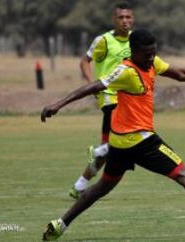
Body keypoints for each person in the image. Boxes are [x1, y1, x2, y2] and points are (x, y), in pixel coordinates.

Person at [41, 29, 185, 241]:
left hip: (119, 143)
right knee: (183, 174)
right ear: (133, 51)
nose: (151, 57)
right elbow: (94, 86)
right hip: (142, 140)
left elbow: (181, 75)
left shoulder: (151, 63)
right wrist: (58, 104)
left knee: (102, 187)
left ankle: (61, 224)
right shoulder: (126, 71)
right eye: (147, 53)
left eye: (153, 52)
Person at [69, 1, 135, 199]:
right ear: (114, 20)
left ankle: (79, 185)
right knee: (124, 140)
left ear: (133, 19)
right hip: (109, 96)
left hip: (130, 99)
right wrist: (92, 84)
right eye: (120, 17)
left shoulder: (137, 40)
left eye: (128, 17)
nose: (125, 21)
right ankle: (100, 150)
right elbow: (84, 61)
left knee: (109, 150)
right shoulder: (103, 40)